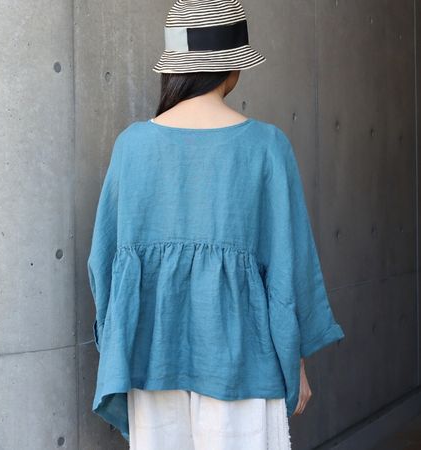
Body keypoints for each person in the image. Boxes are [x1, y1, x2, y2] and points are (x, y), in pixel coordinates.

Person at [87, 0, 345, 449]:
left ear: (174, 69)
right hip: (243, 363)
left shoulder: (132, 147)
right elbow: (289, 265)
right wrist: (295, 359)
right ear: (233, 68)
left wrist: (118, 349)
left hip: (149, 357)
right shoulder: (266, 146)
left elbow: (103, 263)